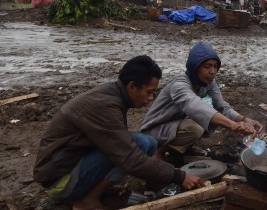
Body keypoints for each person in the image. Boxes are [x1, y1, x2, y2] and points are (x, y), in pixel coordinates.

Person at [33, 56, 204, 210]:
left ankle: (93, 189)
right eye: (150, 92)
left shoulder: (111, 93)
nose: (151, 98)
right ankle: (86, 201)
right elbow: (131, 159)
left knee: (146, 142)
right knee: (140, 144)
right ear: (132, 86)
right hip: (59, 181)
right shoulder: (105, 106)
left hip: (68, 165)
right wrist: (179, 176)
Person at [140, 42, 263, 160]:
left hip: (175, 125)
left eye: (215, 66)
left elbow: (222, 107)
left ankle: (181, 150)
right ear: (195, 67)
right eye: (207, 66)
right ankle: (159, 151)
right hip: (154, 130)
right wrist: (232, 125)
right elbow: (194, 106)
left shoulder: (207, 82)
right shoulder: (179, 85)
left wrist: (244, 120)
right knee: (197, 126)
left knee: (211, 120)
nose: (212, 71)